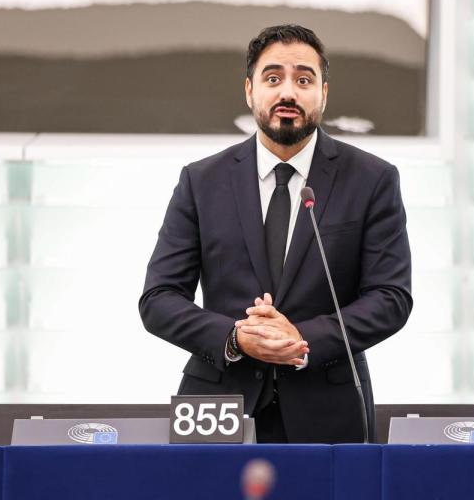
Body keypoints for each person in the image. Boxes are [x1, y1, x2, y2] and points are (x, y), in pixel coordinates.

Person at [139, 24, 412, 443]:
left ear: (323, 93)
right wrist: (235, 337)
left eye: (304, 79)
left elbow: (391, 297)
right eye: (273, 78)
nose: (288, 92)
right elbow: (158, 300)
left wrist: (303, 338)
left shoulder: (371, 179)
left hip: (329, 406)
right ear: (249, 91)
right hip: (219, 405)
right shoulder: (201, 181)